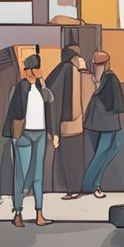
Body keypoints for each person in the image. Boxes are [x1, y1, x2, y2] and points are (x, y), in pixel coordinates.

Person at [3, 46, 58, 227]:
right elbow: (14, 112)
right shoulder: (21, 87)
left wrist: (52, 133)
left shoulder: (42, 88)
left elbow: (49, 109)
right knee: (21, 172)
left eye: (31, 69)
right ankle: (18, 212)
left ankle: (39, 213)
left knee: (38, 175)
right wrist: (14, 136)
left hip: (41, 134)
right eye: (28, 69)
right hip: (24, 135)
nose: (29, 73)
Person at [77, 50, 124, 199]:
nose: (95, 66)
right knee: (100, 154)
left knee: (104, 152)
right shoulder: (101, 79)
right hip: (101, 124)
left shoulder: (108, 78)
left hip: (104, 124)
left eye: (97, 64)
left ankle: (91, 185)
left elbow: (115, 102)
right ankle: (91, 185)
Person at [45, 47, 87, 196]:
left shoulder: (59, 71)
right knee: (73, 159)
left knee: (67, 160)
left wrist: (53, 129)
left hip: (63, 125)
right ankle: (74, 189)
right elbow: (76, 101)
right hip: (73, 125)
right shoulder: (71, 70)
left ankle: (72, 189)